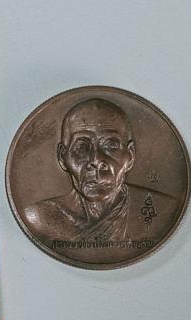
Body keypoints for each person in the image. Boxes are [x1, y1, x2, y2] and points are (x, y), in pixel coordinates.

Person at [24, 98, 176, 246]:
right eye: (82, 147)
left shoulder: (163, 211)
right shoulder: (40, 218)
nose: (96, 160)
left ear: (130, 156)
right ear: (63, 158)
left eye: (110, 146)